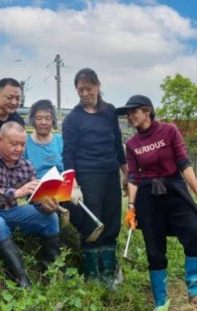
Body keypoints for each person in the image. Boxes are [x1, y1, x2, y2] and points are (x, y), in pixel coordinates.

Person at [115, 95, 197, 311]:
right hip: (148, 196)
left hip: (175, 189)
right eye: (127, 114)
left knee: (196, 232)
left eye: (134, 112)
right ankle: (161, 303)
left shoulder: (169, 131)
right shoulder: (131, 144)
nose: (130, 117)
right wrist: (131, 207)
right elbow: (133, 178)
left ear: (147, 111)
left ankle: (194, 289)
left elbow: (184, 163)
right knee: (154, 250)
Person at [0, 121, 61, 288]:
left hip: (11, 211)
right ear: (0, 140)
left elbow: (33, 198)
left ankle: (51, 272)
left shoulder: (26, 165)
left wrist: (45, 205)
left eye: (22, 144)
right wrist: (15, 193)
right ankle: (21, 279)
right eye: (14, 144)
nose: (19, 149)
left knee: (50, 217)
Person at [62, 68, 127, 286]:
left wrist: (126, 174)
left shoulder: (110, 112)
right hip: (87, 175)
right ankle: (92, 278)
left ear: (98, 86)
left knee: (111, 222)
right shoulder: (73, 119)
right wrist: (73, 184)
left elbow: (118, 144)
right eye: (80, 89)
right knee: (92, 224)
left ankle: (108, 274)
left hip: (110, 174)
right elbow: (68, 153)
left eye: (88, 88)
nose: (84, 93)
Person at [23, 99, 63, 178]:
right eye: (39, 118)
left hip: (60, 186)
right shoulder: (24, 143)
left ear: (53, 120)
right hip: (34, 187)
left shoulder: (61, 141)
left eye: (47, 118)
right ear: (33, 120)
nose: (43, 122)